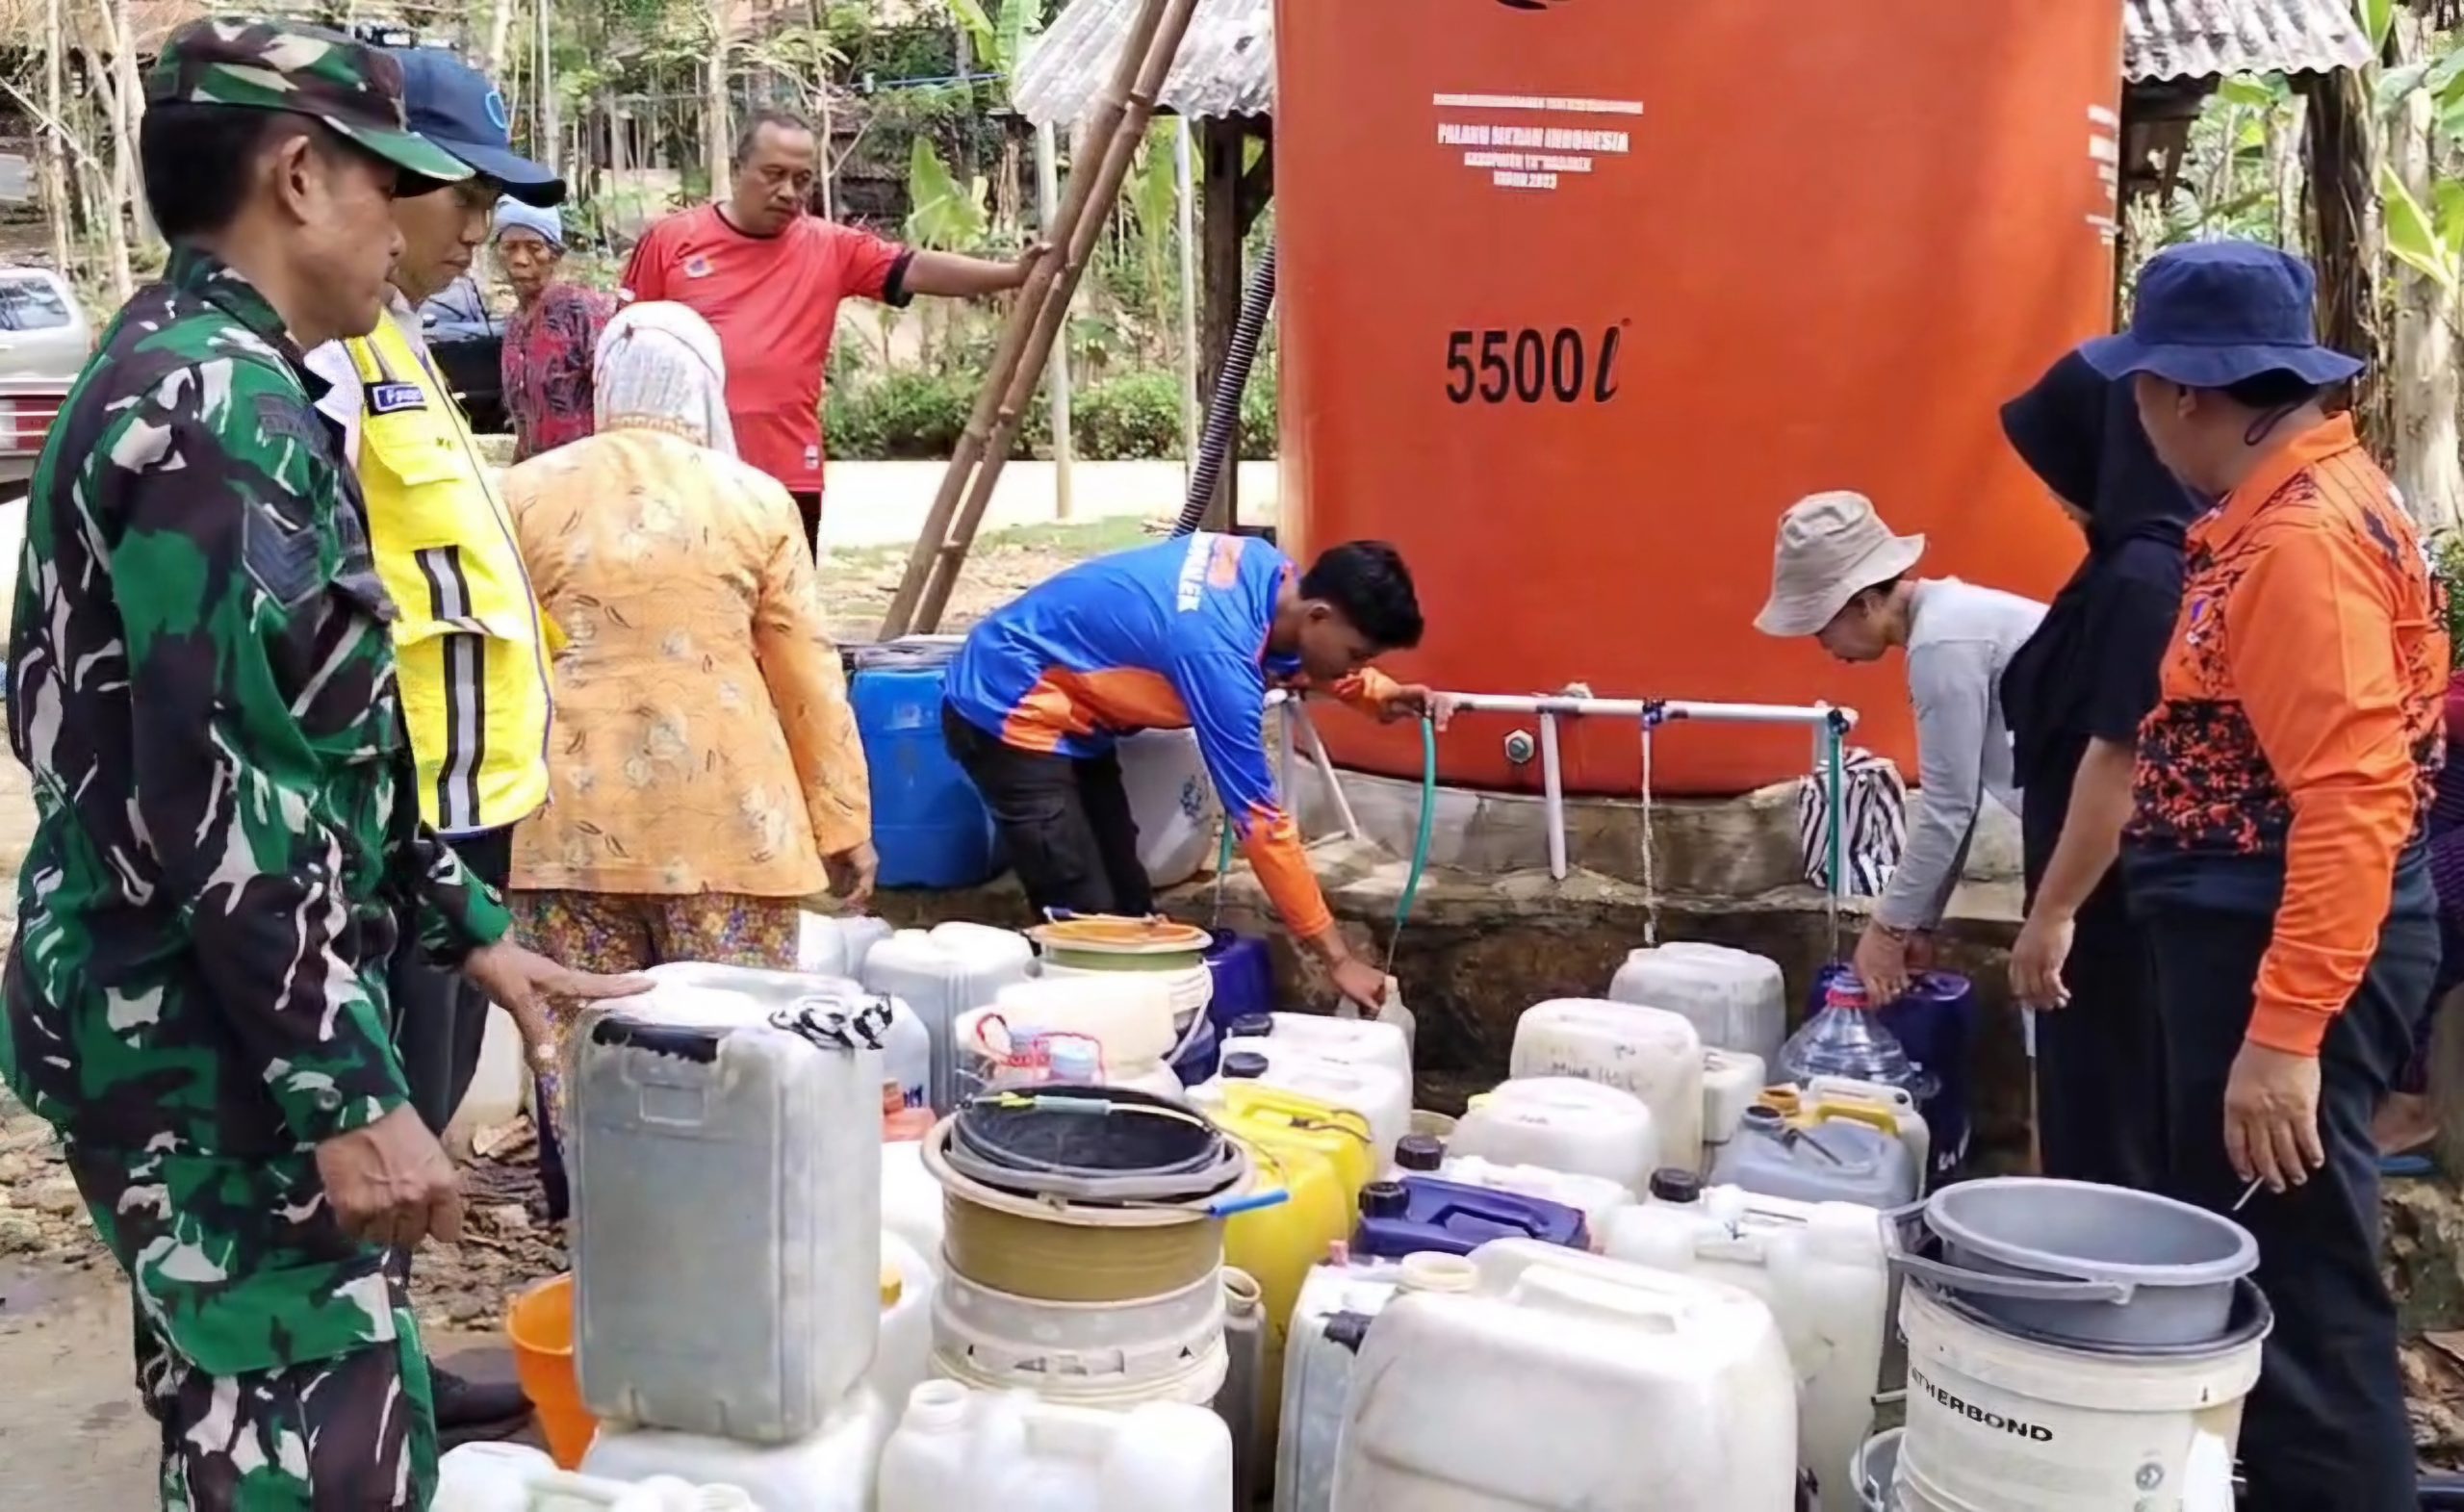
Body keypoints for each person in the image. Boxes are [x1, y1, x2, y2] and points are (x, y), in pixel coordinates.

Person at [0, 22, 642, 1506]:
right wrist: (349, 1093)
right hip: (202, 1039)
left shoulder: (207, 370)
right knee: (309, 1458)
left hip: (188, 1001)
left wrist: (471, 931)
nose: (452, 236)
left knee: (262, 1403)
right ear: (302, 177)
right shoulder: (219, 412)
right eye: (407, 185)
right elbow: (224, 800)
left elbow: (308, 743)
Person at [2087, 239, 2447, 1509]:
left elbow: (2354, 797)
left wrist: (2284, 1031)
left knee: (2300, 1289)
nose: (2132, 411)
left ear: (2189, 393)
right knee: (2264, 1265)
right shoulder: (2303, 504)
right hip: (2255, 935)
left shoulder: (2303, 544)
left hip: (2282, 951)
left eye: (2139, 386)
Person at [299, 44, 567, 1445]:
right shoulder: (316, 361)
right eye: (464, 193)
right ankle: (360, 1374)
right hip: (396, 801)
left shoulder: (398, 334)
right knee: (382, 1106)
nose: (484, 226)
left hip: (469, 795)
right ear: (355, 181)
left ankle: (389, 1354)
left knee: (436, 1078)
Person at [501, 301, 877, 1199]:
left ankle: (598, 1228)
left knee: (584, 1039)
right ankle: (731, 1217)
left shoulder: (518, 492)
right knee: (734, 1040)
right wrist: (843, 821)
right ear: (707, 384)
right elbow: (805, 673)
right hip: (731, 828)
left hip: (562, 820)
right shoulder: (752, 498)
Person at [941, 535, 1442, 1012]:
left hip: (1076, 717)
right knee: (1086, 925)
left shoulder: (1268, 571)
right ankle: (1077, 1068)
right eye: (1356, 656)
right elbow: (1263, 827)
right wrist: (1338, 959)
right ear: (1318, 613)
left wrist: (1379, 693)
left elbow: (1288, 655)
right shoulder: (1217, 656)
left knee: (1131, 910)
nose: (1354, 666)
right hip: (1007, 707)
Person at [617, 109, 1041, 554]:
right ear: (739, 168)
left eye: (802, 180)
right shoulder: (671, 241)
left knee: (786, 619)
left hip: (787, 477)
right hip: (687, 476)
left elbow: (915, 268)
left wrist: (1013, 274)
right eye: (773, 174)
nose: (788, 191)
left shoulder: (831, 247)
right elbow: (625, 354)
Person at [1994, 351, 2200, 1191]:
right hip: (2090, 890)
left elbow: (2121, 756)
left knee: (2113, 1119)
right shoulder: (2114, 560)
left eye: (2056, 463)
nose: (2050, 487)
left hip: (2112, 905)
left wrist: (2055, 912)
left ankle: (2112, 1299)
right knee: (2086, 1107)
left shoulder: (2143, 576)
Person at [1754, 491, 2045, 1003]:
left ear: (1863, 603)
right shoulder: (1958, 617)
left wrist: (1886, 931)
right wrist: (1920, 922)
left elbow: (1948, 808)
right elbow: (1962, 801)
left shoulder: (1942, 643)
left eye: (1821, 627)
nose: (1822, 646)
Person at [495, 198, 612, 460]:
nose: (521, 260)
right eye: (509, 248)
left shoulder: (583, 311)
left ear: (555, 254)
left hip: (589, 474)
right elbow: (525, 428)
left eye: (534, 248)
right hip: (539, 480)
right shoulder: (515, 324)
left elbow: (618, 398)